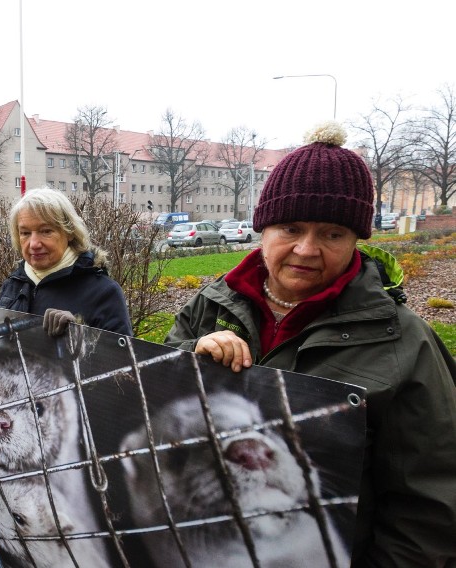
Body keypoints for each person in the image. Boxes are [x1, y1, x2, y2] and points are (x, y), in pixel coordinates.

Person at [164, 122, 456, 567]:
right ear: (262, 229)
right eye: (290, 228)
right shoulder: (209, 307)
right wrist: (193, 354)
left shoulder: (404, 341)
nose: (306, 249)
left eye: (332, 234)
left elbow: (431, 501)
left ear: (356, 240)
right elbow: (154, 397)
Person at [0, 187, 132, 337]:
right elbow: (0, 353)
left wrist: (79, 334)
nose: (34, 244)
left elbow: (124, 367)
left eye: (46, 231)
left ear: (69, 232)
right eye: (25, 233)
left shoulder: (104, 292)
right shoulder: (13, 284)